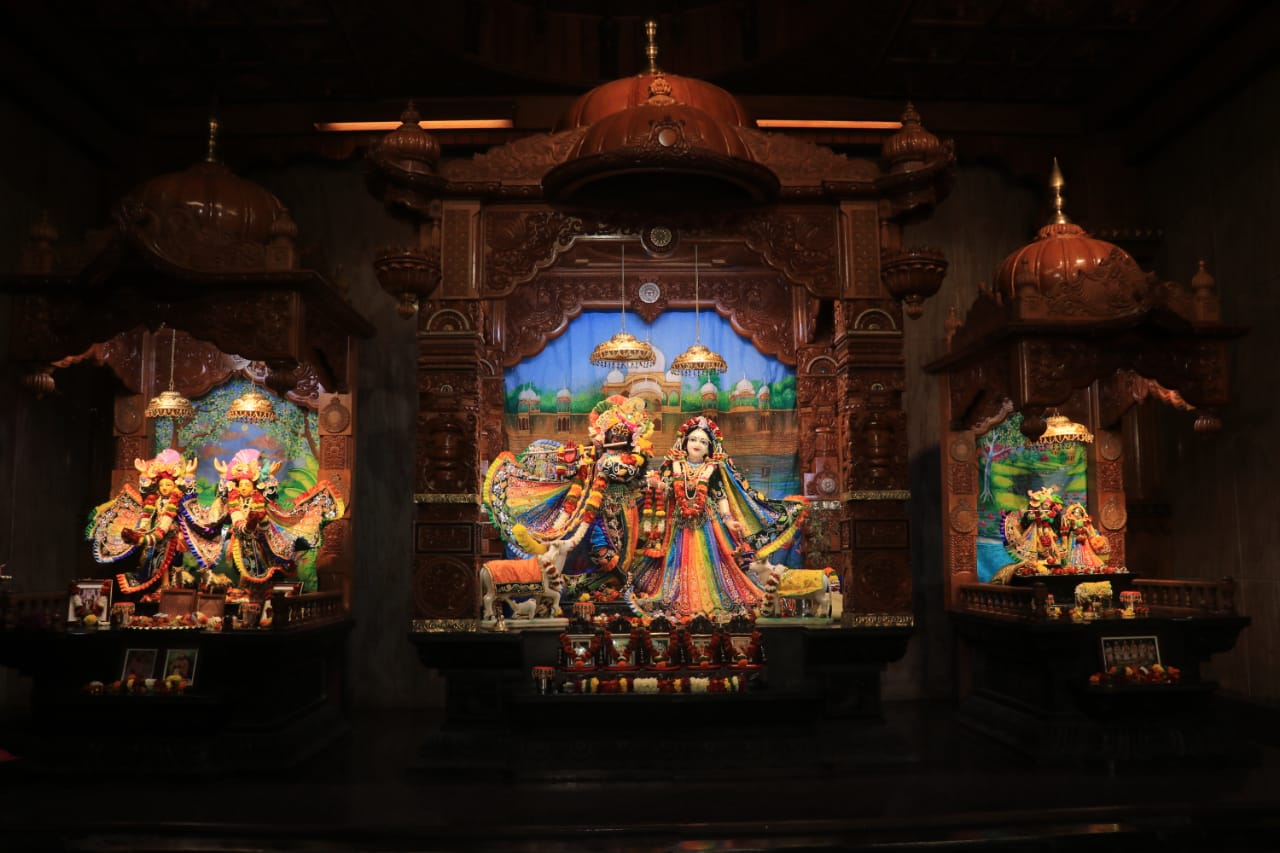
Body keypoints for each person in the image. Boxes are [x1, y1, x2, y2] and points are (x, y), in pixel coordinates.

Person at [627, 415, 808, 618]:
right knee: (677, 561)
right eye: (693, 439)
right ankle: (678, 597)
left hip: (707, 522)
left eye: (703, 442)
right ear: (684, 443)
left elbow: (720, 496)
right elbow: (668, 490)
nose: (697, 444)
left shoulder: (712, 470)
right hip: (679, 524)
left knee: (712, 563)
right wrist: (657, 484)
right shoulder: (673, 465)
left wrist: (728, 520)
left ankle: (712, 598)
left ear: (709, 449)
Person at [484, 395, 655, 595]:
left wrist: (602, 459)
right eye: (613, 433)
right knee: (598, 547)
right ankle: (622, 581)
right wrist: (569, 461)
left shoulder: (633, 459)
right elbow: (572, 474)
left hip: (621, 508)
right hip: (592, 509)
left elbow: (619, 472)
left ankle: (619, 583)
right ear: (605, 435)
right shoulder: (593, 456)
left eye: (622, 433)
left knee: (620, 549)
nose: (617, 437)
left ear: (631, 437)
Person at [86, 449, 223, 596]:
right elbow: (145, 493)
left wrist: (190, 474)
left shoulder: (178, 499)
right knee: (155, 563)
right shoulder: (154, 500)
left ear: (174, 486)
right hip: (155, 535)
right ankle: (163, 586)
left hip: (173, 534)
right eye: (162, 485)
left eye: (168, 485)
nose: (164, 487)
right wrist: (143, 473)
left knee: (174, 562)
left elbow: (191, 496)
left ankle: (173, 587)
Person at [208, 448, 345, 591]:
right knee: (240, 564)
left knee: (264, 563)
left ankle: (260, 590)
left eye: (247, 485)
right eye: (241, 485)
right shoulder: (233, 499)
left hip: (260, 538)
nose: (243, 488)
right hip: (240, 537)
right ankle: (245, 589)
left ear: (253, 487)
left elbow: (270, 496)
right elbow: (221, 497)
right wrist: (223, 475)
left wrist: (272, 476)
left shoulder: (259, 498)